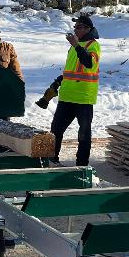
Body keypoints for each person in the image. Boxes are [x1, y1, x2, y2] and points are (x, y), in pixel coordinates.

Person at [35, 13, 101, 166]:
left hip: (83, 98)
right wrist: (58, 82)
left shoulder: (93, 45)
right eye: (75, 27)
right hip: (67, 97)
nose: (75, 30)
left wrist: (77, 45)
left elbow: (89, 64)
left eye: (78, 27)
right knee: (56, 131)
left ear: (87, 29)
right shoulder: (73, 48)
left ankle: (82, 165)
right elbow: (70, 71)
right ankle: (53, 160)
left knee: (84, 134)